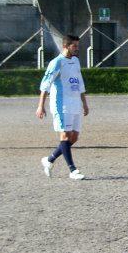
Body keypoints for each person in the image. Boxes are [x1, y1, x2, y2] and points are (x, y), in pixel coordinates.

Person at [37, 34, 88, 180]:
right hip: (61, 105)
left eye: (78, 46)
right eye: (74, 46)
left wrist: (84, 103)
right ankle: (73, 170)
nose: (77, 48)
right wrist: (40, 106)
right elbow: (45, 84)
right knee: (65, 136)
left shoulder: (76, 61)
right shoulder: (56, 63)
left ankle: (49, 160)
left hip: (75, 103)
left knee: (74, 137)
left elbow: (80, 82)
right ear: (65, 46)